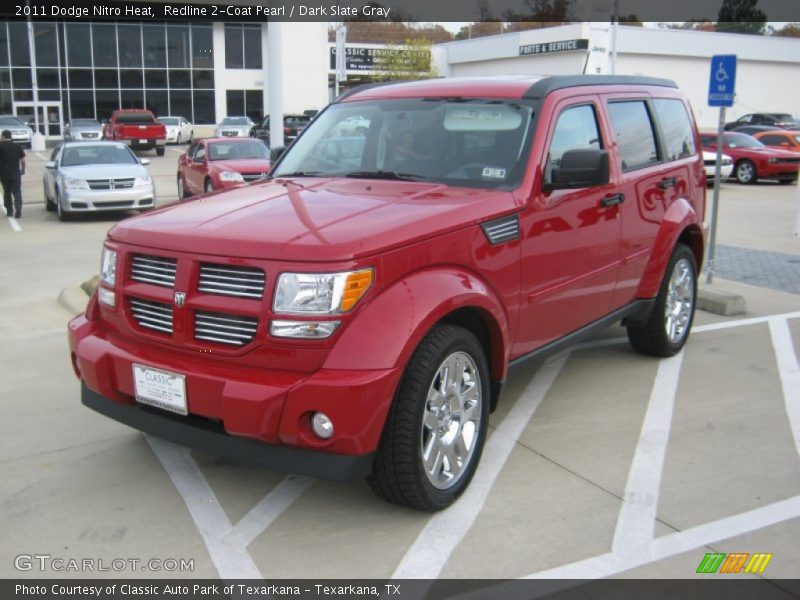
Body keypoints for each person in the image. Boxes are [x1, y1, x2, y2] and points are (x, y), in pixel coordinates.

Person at [0, 129, 26, 218]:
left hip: (4, 174)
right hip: (16, 173)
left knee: (7, 192)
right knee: (17, 191)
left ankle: (9, 211)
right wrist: (23, 170)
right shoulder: (17, 146)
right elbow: (23, 160)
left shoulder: (0, 146)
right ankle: (18, 207)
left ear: (3, 136)